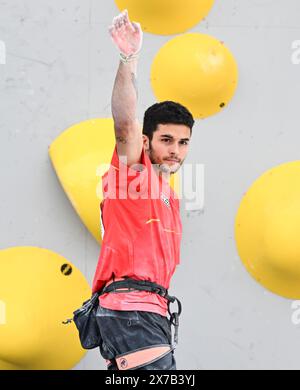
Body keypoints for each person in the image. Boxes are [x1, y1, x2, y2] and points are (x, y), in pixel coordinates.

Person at [92, 9, 194, 370]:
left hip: (145, 314)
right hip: (132, 311)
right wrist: (128, 59)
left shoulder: (170, 196)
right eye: (166, 140)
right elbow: (124, 122)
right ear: (146, 141)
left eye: (183, 142)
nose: (175, 150)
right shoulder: (134, 175)